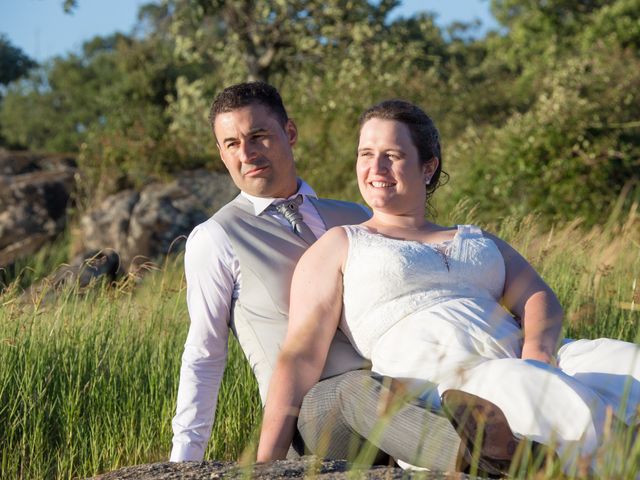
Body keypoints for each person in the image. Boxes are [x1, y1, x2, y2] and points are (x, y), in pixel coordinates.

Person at [257, 99, 640, 474]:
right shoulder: (342, 244)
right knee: (526, 386)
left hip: (520, 352)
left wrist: (538, 351)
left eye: (392, 154)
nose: (376, 167)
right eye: (366, 154)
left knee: (625, 362)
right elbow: (300, 354)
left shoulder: (474, 238)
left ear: (428, 166)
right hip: (447, 375)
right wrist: (264, 465)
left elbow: (538, 295)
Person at [170, 83, 462, 469]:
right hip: (312, 417)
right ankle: (492, 461)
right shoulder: (216, 237)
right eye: (231, 144)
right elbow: (204, 354)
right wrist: (181, 465)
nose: (247, 153)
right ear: (221, 153)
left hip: (399, 388)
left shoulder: (357, 215)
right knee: (353, 390)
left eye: (258, 136)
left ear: (289, 133)